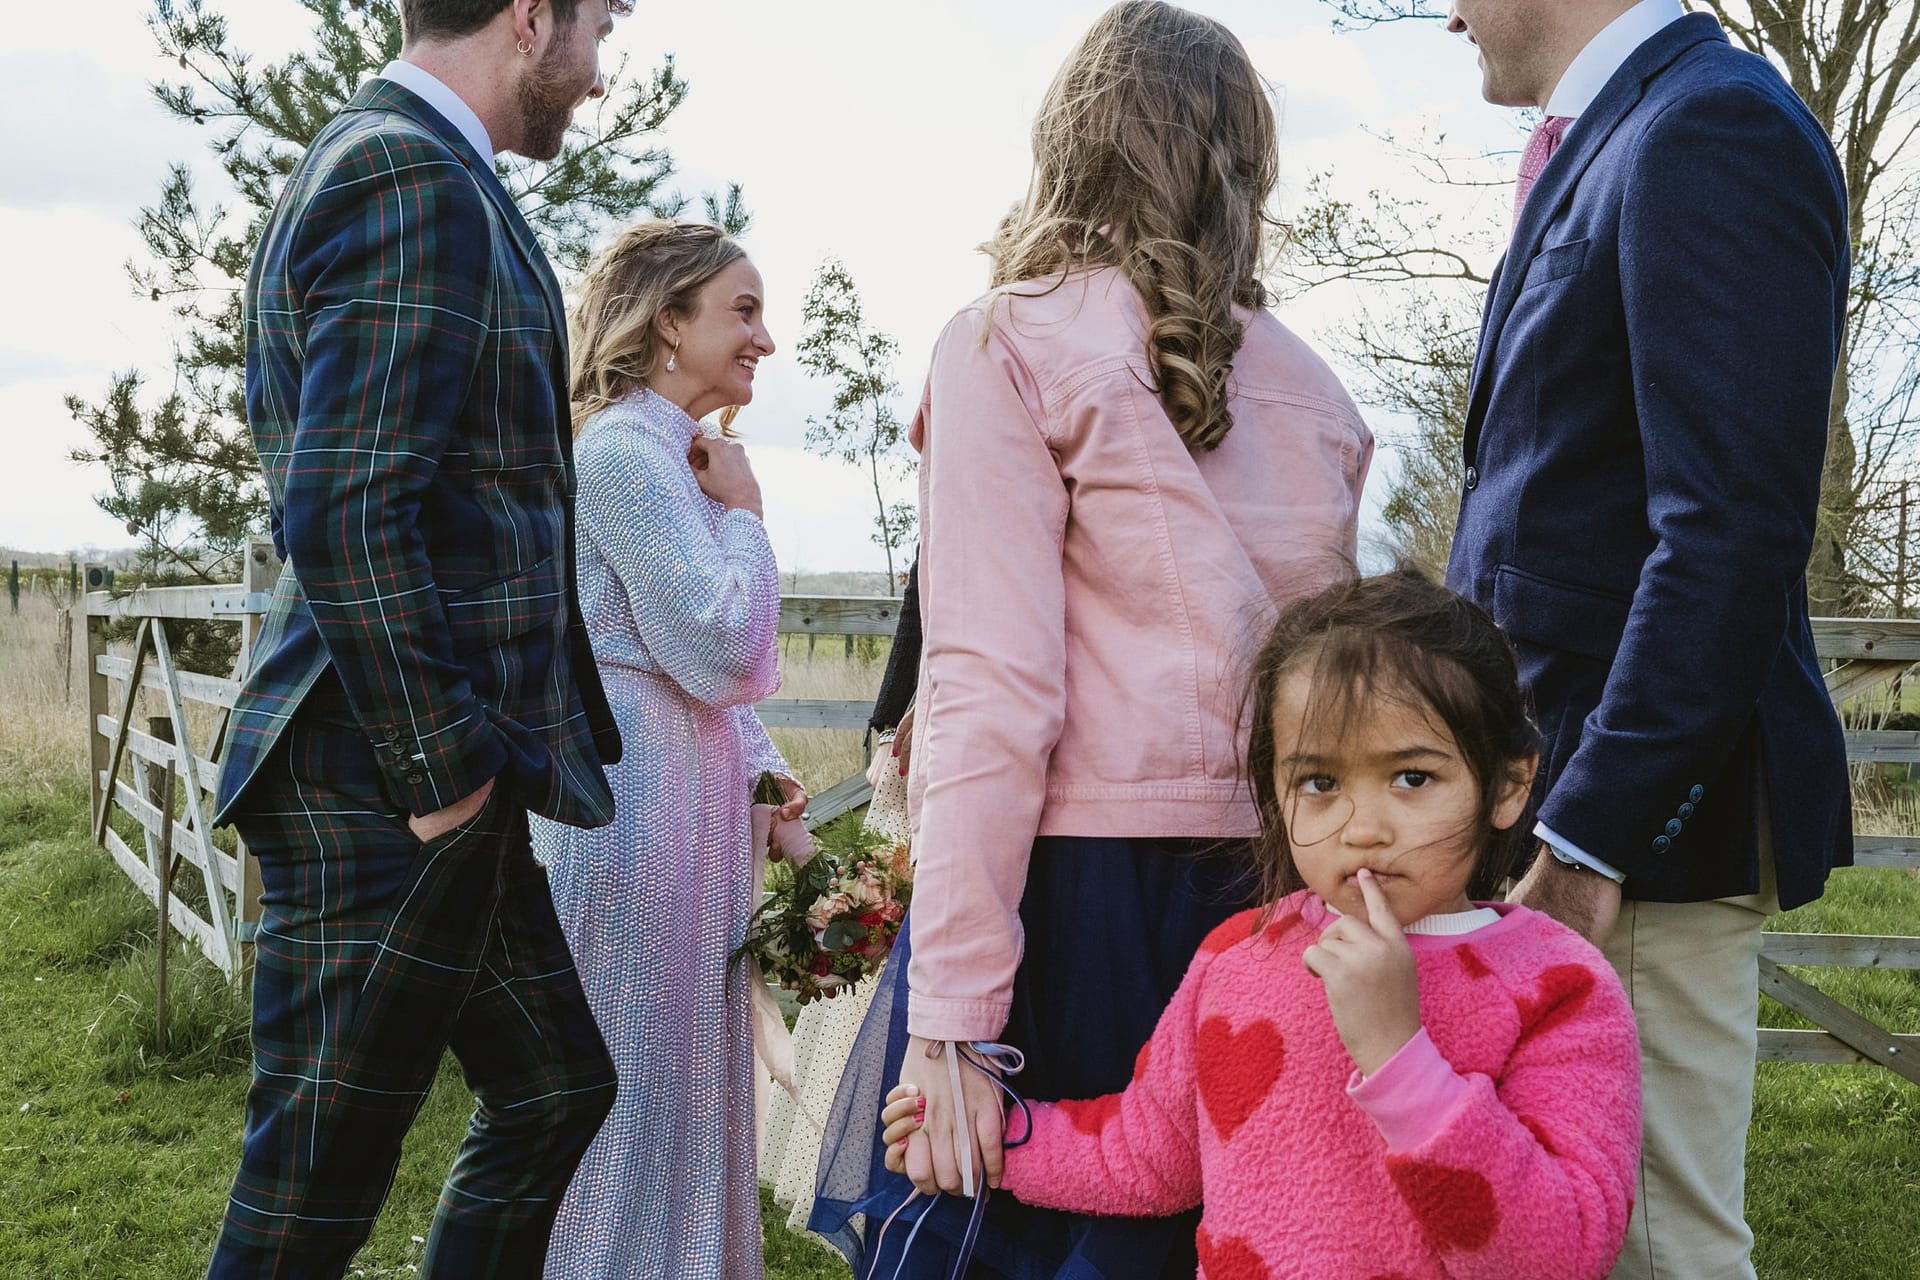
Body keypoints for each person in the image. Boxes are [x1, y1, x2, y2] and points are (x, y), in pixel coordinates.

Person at [809, 4, 1373, 1274]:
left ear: (1072, 140)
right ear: (1246, 160)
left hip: (1075, 897)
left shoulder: (1010, 337)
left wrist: (953, 1015)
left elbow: (992, 691)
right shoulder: (1319, 386)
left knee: (1043, 1231)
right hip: (1277, 884)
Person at [880, 570, 1643, 1280]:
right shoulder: (1240, 956)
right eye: (1319, 782)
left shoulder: (1560, 988)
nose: (1363, 826)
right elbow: (1148, 1155)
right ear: (1276, 795)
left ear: (1508, 785)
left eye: (1413, 777)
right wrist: (983, 1145)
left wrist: (1399, 1056)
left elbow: (1560, 1253)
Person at [207, 3, 628, 1277]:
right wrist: (445, 771)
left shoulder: (417, 166)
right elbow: (343, 508)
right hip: (384, 778)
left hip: (428, 773)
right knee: (304, 1205)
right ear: (528, 17)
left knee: (556, 1087)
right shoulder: (405, 174)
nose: (598, 77)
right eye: (597, 31)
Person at [1438, 0, 1852, 1274]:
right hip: (1561, 811)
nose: (1442, 13)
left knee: (1657, 1243)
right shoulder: (1619, 133)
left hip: (1642, 842)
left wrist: (1591, 833)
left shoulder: (1709, 125)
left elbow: (1727, 533)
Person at [528, 219, 803, 1280]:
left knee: (691, 1082)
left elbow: (708, 676)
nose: (764, 339)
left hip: (684, 802)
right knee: (635, 1091)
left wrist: (766, 777)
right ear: (668, 319)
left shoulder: (666, 455)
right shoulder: (619, 456)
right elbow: (723, 643)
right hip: (628, 808)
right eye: (742, 310)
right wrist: (747, 512)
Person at [761, 558, 921, 1234]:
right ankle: (857, 1165)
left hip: (964, 725)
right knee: (874, 949)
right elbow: (921, 600)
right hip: (924, 737)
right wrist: (893, 718)